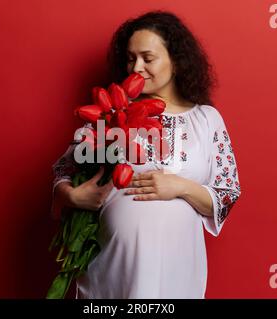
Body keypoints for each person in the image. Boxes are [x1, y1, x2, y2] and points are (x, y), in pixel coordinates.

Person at [51, 10, 242, 299]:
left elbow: (227, 193)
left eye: (147, 58)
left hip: (176, 269)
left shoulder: (206, 119)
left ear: (176, 61)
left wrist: (181, 187)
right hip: (113, 269)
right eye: (130, 58)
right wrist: (71, 196)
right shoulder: (112, 111)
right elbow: (64, 169)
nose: (136, 67)